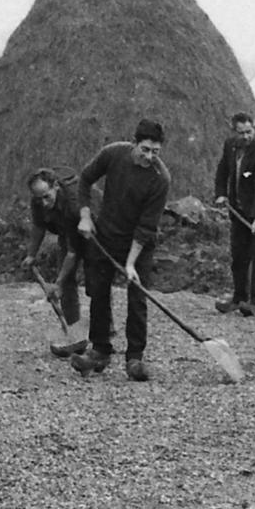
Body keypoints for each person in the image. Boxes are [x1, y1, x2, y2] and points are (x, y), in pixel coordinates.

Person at [69, 119, 171, 382]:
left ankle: (135, 357)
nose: (149, 156)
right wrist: (85, 216)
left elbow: (146, 227)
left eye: (155, 152)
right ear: (134, 143)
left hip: (139, 244)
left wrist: (130, 264)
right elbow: (85, 180)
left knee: (137, 298)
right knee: (99, 292)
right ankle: (99, 351)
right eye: (145, 149)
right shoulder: (113, 154)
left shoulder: (160, 179)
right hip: (105, 236)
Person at [212, 111, 255, 316]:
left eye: (249, 132)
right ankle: (239, 298)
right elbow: (223, 170)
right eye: (241, 133)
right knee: (239, 256)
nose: (246, 137)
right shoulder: (230, 146)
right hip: (239, 211)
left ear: (254, 127)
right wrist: (222, 194)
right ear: (235, 132)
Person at [22, 167, 86, 333]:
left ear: (56, 186)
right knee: (67, 281)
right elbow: (38, 226)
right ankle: (72, 329)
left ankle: (105, 331)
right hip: (67, 232)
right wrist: (31, 254)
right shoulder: (38, 200)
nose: (43, 203)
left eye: (46, 197)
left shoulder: (72, 204)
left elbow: (73, 252)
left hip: (93, 231)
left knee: (97, 279)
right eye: (38, 199)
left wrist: (57, 284)